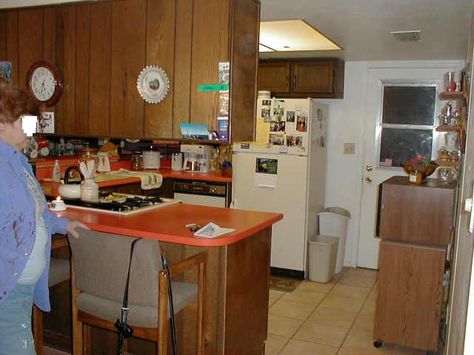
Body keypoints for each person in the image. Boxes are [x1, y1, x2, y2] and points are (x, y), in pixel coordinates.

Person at [0, 83, 88, 354]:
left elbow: (34, 212)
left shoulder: (18, 163)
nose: (31, 131)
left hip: (22, 286)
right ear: (2, 123)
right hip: (7, 287)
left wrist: (63, 224)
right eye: (24, 123)